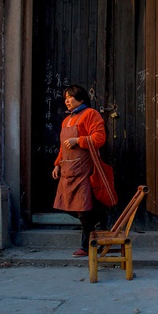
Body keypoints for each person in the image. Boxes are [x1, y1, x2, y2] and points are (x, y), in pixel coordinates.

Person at [52, 84, 107, 257]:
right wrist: (57, 164)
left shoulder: (91, 114)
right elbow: (62, 146)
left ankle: (87, 245)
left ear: (81, 99)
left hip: (84, 169)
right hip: (68, 169)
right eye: (65, 98)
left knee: (83, 208)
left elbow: (100, 138)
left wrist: (79, 140)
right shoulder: (66, 120)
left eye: (70, 97)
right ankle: (96, 223)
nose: (66, 101)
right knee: (69, 206)